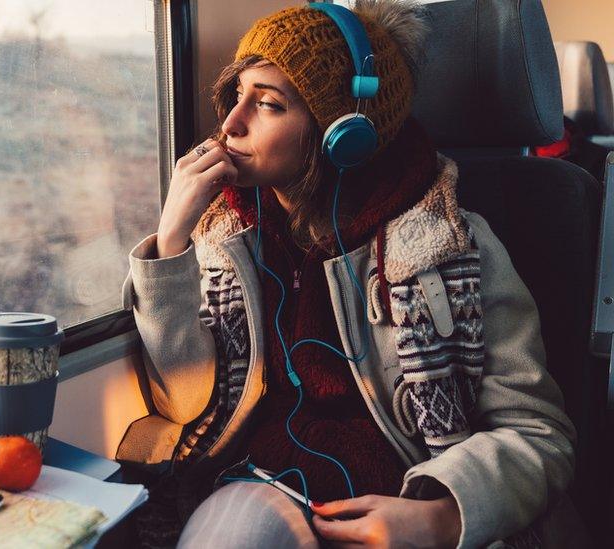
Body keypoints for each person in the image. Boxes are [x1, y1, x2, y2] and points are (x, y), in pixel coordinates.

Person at [121, 1, 578, 547]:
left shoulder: (453, 245)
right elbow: (185, 405)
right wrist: (172, 241)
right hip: (264, 484)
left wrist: (440, 518)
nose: (230, 124)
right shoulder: (223, 241)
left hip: (410, 495)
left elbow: (538, 433)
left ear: (345, 133)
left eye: (267, 104)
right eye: (235, 96)